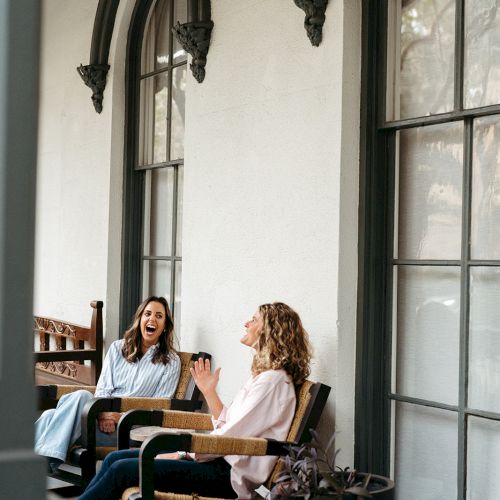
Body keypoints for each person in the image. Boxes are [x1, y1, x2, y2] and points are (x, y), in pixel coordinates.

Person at [79, 302, 312, 499]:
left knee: (122, 469)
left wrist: (182, 453)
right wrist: (210, 392)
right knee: (114, 458)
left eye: (254, 320)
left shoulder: (271, 383)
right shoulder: (265, 378)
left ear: (269, 331)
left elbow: (231, 437)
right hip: (216, 462)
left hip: (225, 475)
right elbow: (231, 424)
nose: (247, 324)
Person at [35, 296, 181, 472]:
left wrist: (119, 417)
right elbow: (103, 387)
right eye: (147, 314)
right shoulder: (118, 348)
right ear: (139, 319)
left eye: (159, 316)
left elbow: (160, 404)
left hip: (129, 429)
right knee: (59, 409)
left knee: (52, 415)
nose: (152, 319)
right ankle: (40, 463)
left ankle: (33, 464)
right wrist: (103, 414)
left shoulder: (171, 361)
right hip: (100, 419)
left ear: (165, 326)